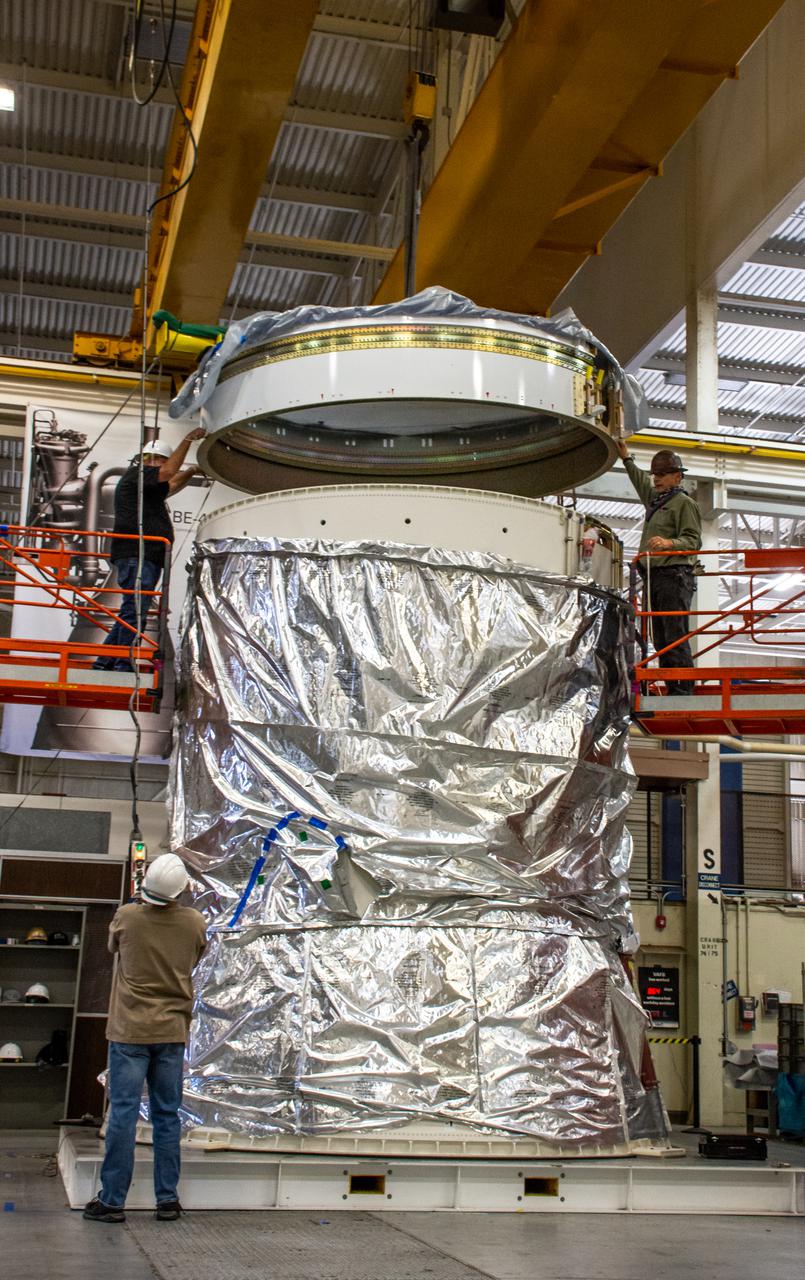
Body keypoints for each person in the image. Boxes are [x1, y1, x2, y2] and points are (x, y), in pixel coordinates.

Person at [82, 853, 207, 1224]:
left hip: (129, 1032)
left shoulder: (127, 916)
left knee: (122, 1113)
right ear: (183, 889)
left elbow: (113, 949)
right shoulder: (195, 922)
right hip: (171, 1032)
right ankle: (167, 1200)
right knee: (167, 1116)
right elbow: (195, 958)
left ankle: (112, 1201)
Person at [93, 430, 205, 671]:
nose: (156, 466)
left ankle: (104, 662)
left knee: (132, 610)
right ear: (148, 460)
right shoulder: (137, 475)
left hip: (145, 555)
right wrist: (187, 440)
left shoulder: (147, 488)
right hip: (138, 553)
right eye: (154, 460)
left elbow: (171, 485)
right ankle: (123, 664)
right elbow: (167, 474)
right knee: (136, 610)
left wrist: (192, 471)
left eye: (159, 460)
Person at [616, 441, 702, 694]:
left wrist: (669, 543)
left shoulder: (683, 504)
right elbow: (640, 481)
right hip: (655, 576)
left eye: (662, 475)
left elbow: (693, 541)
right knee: (661, 638)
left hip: (674, 576)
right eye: (655, 475)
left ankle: (682, 690)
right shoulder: (656, 500)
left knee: (674, 634)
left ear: (678, 476)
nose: (656, 479)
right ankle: (671, 686)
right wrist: (626, 459)